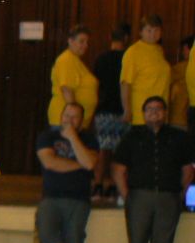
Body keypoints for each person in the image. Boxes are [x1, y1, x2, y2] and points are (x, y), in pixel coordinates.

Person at [111, 96, 195, 243]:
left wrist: (179, 194)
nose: (154, 112)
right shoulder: (132, 136)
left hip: (168, 198)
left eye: (158, 109)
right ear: (143, 113)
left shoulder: (179, 138)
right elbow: (118, 168)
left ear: (165, 113)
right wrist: (128, 196)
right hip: (139, 198)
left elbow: (188, 169)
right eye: (149, 109)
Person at [35, 103, 98, 243]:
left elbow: (90, 163)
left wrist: (73, 138)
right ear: (60, 116)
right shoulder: (47, 136)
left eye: (75, 117)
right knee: (48, 237)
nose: (69, 120)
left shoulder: (88, 139)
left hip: (78, 200)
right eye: (66, 115)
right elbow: (50, 163)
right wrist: (80, 164)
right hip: (51, 198)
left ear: (82, 120)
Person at [92, 22, 131, 200]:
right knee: (119, 151)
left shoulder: (101, 58)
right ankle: (115, 186)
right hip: (122, 109)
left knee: (103, 149)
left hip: (104, 109)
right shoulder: (128, 58)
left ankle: (98, 185)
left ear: (110, 38)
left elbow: (96, 84)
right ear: (126, 38)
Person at [120, 15, 171, 126]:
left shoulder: (159, 50)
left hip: (160, 111)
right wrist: (127, 110)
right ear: (141, 32)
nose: (153, 34)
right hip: (142, 113)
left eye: (157, 30)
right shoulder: (133, 52)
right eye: (149, 30)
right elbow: (125, 83)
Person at [47, 25, 98, 130]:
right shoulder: (66, 60)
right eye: (81, 41)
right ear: (70, 41)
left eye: (87, 42)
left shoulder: (75, 60)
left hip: (74, 122)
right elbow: (67, 90)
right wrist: (74, 118)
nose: (86, 45)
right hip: (66, 121)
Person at [169, 35, 193, 129]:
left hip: (179, 117)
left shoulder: (183, 67)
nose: (183, 52)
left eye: (184, 49)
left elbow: (166, 78)